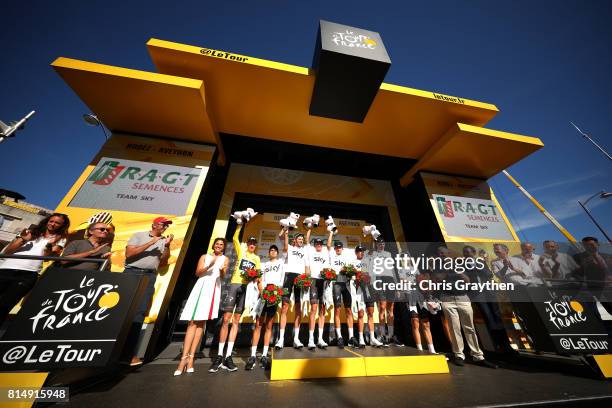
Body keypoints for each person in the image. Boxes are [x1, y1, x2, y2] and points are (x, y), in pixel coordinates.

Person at [0, 213, 70, 325]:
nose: (53, 224)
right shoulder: (30, 231)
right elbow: (8, 251)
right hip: (5, 268)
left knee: (5, 305)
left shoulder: (61, 239)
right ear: (47, 221)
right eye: (51, 221)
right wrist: (23, 239)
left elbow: (46, 257)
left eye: (57, 223)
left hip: (28, 274)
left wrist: (49, 246)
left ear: (62, 226)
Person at [434, 246, 497, 368]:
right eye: (439, 253)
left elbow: (468, 280)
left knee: (470, 328)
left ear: (449, 253)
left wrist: (457, 270)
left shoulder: (460, 263)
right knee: (454, 328)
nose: (442, 255)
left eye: (444, 253)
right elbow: (437, 280)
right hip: (447, 299)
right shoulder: (437, 266)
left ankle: (478, 356)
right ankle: (459, 355)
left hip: (463, 298)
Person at [210, 222, 261, 373]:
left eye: (254, 243)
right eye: (250, 243)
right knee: (226, 319)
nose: (252, 245)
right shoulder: (241, 252)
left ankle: (227, 356)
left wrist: (260, 289)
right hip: (234, 285)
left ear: (256, 245)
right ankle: (219, 356)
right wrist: (239, 225)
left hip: (246, 288)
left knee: (236, 321)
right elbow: (235, 238)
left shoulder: (256, 258)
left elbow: (258, 276)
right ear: (248, 244)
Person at [123, 217, 174, 366]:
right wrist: (152, 242)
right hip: (131, 273)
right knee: (122, 310)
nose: (165, 227)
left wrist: (167, 246)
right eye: (162, 224)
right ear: (154, 225)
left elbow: (163, 262)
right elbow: (129, 254)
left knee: (140, 312)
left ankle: (130, 354)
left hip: (149, 276)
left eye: (166, 225)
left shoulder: (163, 241)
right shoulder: (139, 235)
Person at [174, 238, 228, 376]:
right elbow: (197, 273)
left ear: (223, 247)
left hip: (213, 289)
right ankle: (183, 359)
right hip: (201, 287)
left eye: (221, 244)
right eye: (217, 243)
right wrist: (209, 265)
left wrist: (221, 271)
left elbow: (223, 276)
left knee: (201, 324)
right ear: (213, 245)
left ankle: (191, 358)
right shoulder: (205, 256)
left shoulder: (225, 259)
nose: (219, 246)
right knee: (192, 322)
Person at [246, 244, 284, 370]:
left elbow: (282, 280)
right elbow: (259, 280)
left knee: (269, 325)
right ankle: (252, 355)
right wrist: (262, 291)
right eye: (271, 250)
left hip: (274, 294)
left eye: (274, 250)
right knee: (258, 325)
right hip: (264, 294)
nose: (272, 252)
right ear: (268, 252)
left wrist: (276, 292)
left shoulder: (281, 264)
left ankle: (263, 355)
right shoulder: (264, 264)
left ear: (277, 253)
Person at [275, 229, 308, 349]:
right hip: (288, 277)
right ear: (294, 240)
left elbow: (307, 267)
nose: (301, 241)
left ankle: (296, 338)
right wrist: (285, 230)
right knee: (284, 306)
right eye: (299, 239)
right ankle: (281, 339)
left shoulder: (305, 251)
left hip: (300, 277)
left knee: (298, 308)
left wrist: (307, 279)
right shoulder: (289, 247)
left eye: (302, 240)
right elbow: (280, 237)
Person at [369, 237, 402, 346]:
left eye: (383, 243)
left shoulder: (388, 254)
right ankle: (382, 334)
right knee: (382, 307)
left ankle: (391, 336)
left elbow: (393, 270)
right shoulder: (373, 253)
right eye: (379, 243)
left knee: (391, 308)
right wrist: (372, 237)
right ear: (376, 244)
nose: (381, 245)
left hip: (390, 280)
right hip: (380, 280)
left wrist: (396, 286)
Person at [573, 236, 612, 319]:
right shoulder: (577, 257)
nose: (589, 247)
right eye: (586, 245)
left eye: (592, 244)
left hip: (608, 286)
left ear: (598, 244)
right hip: (591, 287)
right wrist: (583, 266)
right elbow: (574, 273)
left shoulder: (607, 256)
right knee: (596, 310)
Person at [328, 237, 357, 348]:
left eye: (340, 247)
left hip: (346, 285)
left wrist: (351, 272)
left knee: (349, 310)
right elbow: (328, 246)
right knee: (337, 310)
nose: (338, 249)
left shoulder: (347, 258)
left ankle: (351, 337)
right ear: (335, 249)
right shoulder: (332, 257)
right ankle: (339, 337)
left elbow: (352, 270)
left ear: (342, 249)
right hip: (337, 284)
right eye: (337, 247)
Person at [353, 245, 383, 348]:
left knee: (370, 313)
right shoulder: (353, 263)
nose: (361, 253)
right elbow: (352, 277)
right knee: (361, 314)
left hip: (369, 289)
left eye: (362, 251)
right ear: (356, 253)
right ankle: (361, 339)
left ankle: (372, 338)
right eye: (359, 251)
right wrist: (357, 277)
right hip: (359, 291)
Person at [304, 229, 330, 350]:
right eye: (317, 244)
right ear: (314, 245)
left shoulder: (325, 253)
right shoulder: (310, 251)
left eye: (320, 244)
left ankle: (320, 338)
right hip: (314, 281)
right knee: (313, 309)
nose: (319, 245)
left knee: (322, 310)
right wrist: (309, 228)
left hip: (323, 281)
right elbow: (307, 240)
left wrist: (331, 232)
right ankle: (310, 339)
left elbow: (329, 245)